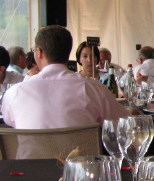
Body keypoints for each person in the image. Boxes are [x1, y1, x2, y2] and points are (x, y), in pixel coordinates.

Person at [1, 26, 129, 129]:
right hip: (80, 154)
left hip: (32, 155)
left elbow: (10, 121)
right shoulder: (94, 89)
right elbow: (123, 123)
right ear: (69, 52)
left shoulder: (14, 93)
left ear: (39, 53)